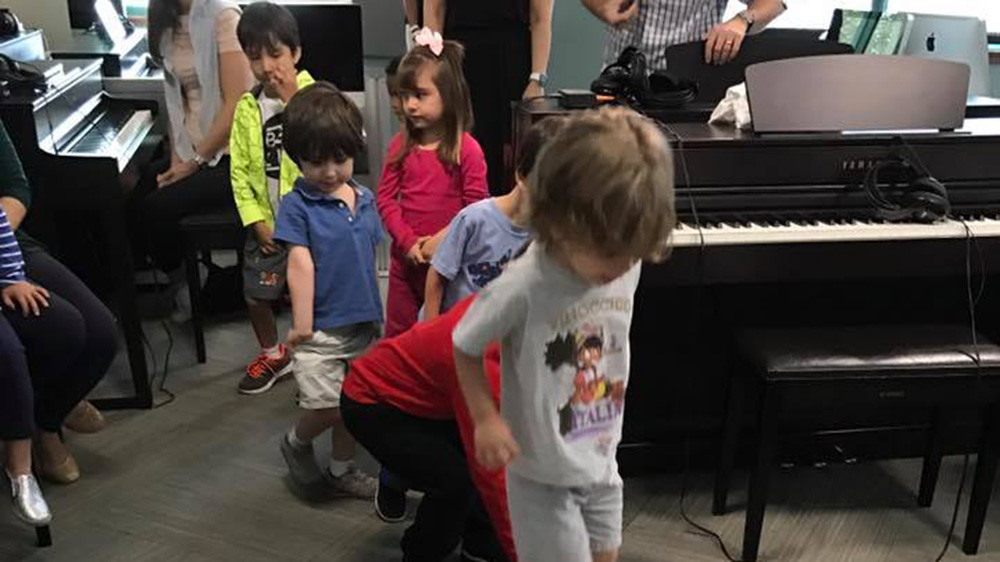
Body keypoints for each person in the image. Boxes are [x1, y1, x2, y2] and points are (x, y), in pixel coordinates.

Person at [453, 107, 677, 562]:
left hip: (601, 454)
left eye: (629, 254)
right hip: (542, 474)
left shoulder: (622, 254)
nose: (620, 267)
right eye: (608, 255)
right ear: (559, 221)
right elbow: (464, 343)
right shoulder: (526, 282)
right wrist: (486, 419)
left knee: (606, 556)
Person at [343, 296, 514, 562]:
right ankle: (420, 554)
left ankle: (479, 548)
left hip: (430, 397)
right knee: (456, 482)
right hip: (373, 402)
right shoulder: (484, 356)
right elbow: (492, 472)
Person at [0, 119, 119, 496]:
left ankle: (46, 417)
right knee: (61, 327)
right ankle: (43, 424)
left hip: (7, 239)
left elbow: (16, 186)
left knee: (101, 333)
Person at [274, 82, 381, 498]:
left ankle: (341, 468)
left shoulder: (363, 198)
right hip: (319, 332)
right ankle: (296, 442)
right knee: (327, 405)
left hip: (362, 325)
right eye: (316, 162)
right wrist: (301, 324)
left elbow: (369, 261)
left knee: (353, 408)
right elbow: (299, 262)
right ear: (298, 158)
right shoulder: (297, 205)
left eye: (340, 158)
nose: (331, 171)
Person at [138, 0, 254, 313]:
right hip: (194, 150)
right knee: (141, 185)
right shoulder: (167, 22)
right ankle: (182, 277)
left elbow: (236, 106)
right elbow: (179, 104)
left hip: (232, 157)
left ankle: (194, 282)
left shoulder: (224, 17)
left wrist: (193, 164)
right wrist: (177, 160)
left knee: (155, 207)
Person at [376, 35, 488, 338]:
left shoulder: (468, 150)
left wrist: (442, 241)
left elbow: (477, 210)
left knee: (445, 335)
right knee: (399, 337)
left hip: (450, 267)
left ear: (448, 94)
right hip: (405, 266)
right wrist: (408, 242)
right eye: (404, 95)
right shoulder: (400, 145)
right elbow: (385, 199)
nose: (409, 105)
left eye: (420, 95)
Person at [230, 1, 314, 395]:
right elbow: (239, 171)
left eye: (276, 54)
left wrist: (293, 98)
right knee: (256, 295)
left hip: (310, 224)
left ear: (295, 53)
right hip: (267, 223)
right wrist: (254, 219)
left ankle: (317, 360)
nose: (267, 66)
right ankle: (273, 353)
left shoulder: (315, 97)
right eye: (255, 57)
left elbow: (327, 147)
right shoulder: (247, 106)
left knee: (311, 295)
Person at [423, 117, 565, 320]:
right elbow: (437, 276)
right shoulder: (474, 219)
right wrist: (430, 331)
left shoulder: (548, 233)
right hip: (451, 331)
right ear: (522, 177)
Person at [424, 0, 554, 195]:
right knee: (458, 144)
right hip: (458, 57)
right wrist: (432, 71)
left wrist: (537, 80)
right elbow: (434, 11)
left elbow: (540, 18)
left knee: (509, 153)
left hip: (511, 60)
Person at [580, 0, 786, 70]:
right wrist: (599, 6)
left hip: (686, 87)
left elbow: (773, 3)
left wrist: (741, 20)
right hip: (621, 78)